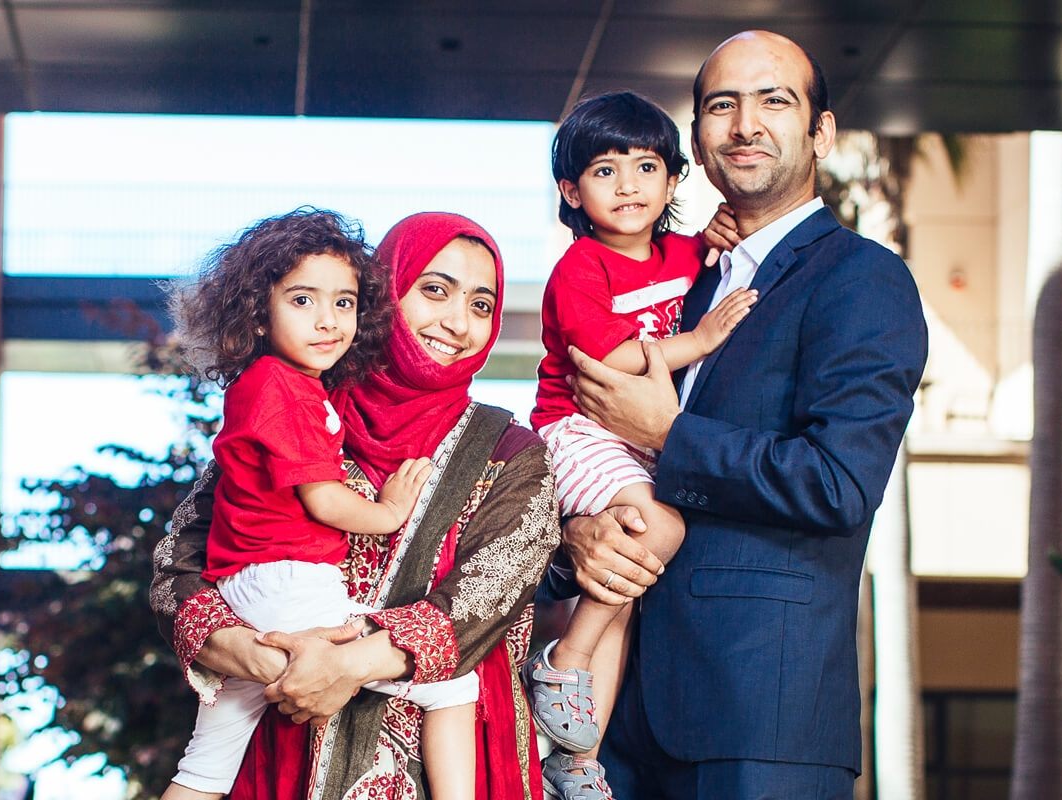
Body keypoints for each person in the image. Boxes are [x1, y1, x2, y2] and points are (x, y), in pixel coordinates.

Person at [558, 30, 930, 799]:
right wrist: (581, 537)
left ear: (820, 132)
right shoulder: (679, 287)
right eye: (721, 106)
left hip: (763, 725)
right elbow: (605, 457)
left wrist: (667, 432)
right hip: (618, 725)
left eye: (774, 101)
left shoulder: (862, 279)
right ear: (698, 138)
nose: (745, 124)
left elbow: (837, 484)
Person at [151, 212, 561, 800]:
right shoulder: (300, 407)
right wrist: (250, 653)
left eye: (480, 304)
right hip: (281, 742)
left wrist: (345, 664)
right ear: (386, 295)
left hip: (438, 764)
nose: (456, 322)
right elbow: (178, 565)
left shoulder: (510, 454)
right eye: (434, 290)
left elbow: (484, 602)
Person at [523, 90, 758, 800]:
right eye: (604, 170)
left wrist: (723, 229)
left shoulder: (688, 253)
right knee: (657, 528)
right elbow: (605, 360)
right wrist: (701, 339)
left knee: (618, 590)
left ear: (674, 180)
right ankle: (562, 659)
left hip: (639, 442)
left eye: (646, 166)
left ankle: (576, 756)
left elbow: (720, 246)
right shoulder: (581, 269)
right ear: (571, 190)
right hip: (580, 426)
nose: (627, 185)